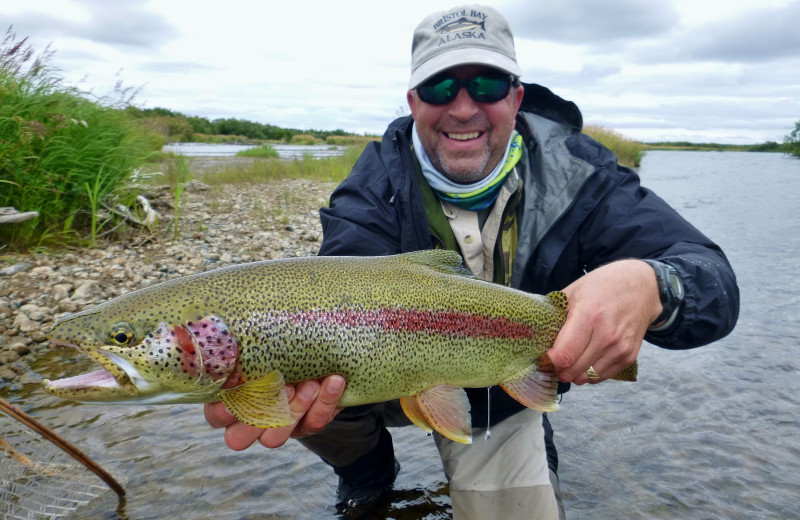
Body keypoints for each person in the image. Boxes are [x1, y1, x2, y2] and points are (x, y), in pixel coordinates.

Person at [205, 4, 739, 519]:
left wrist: (651, 287)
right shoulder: (373, 185)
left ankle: (524, 434)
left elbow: (712, 281)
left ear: (516, 96)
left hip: (499, 391)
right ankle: (368, 472)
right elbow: (337, 290)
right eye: (441, 87)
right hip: (374, 373)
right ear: (413, 101)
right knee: (313, 393)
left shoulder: (582, 176)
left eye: (485, 84)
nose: (463, 108)